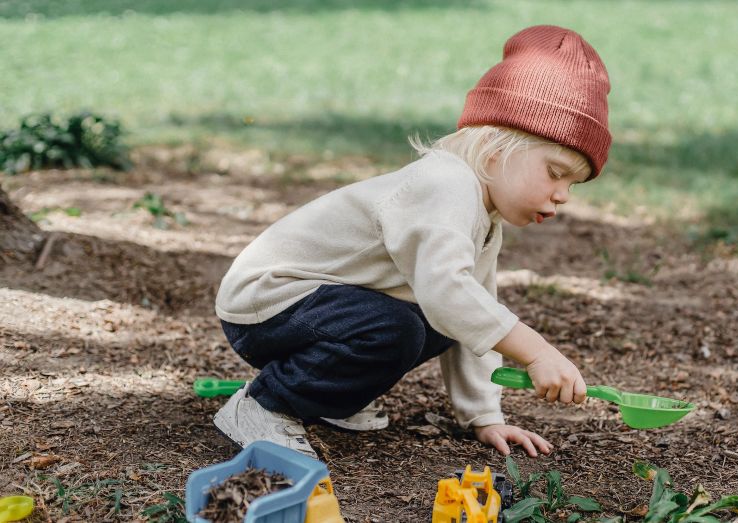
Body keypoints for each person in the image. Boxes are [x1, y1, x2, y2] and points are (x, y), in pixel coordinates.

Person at [212, 24, 612, 459]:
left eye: (575, 184)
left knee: (444, 321)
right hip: (266, 302)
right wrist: (536, 352)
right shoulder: (446, 185)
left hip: (316, 306)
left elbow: (473, 315)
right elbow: (448, 294)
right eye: (555, 173)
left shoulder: (484, 216)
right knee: (399, 328)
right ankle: (265, 406)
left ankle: (328, 399)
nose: (563, 195)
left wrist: (485, 416)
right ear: (497, 148)